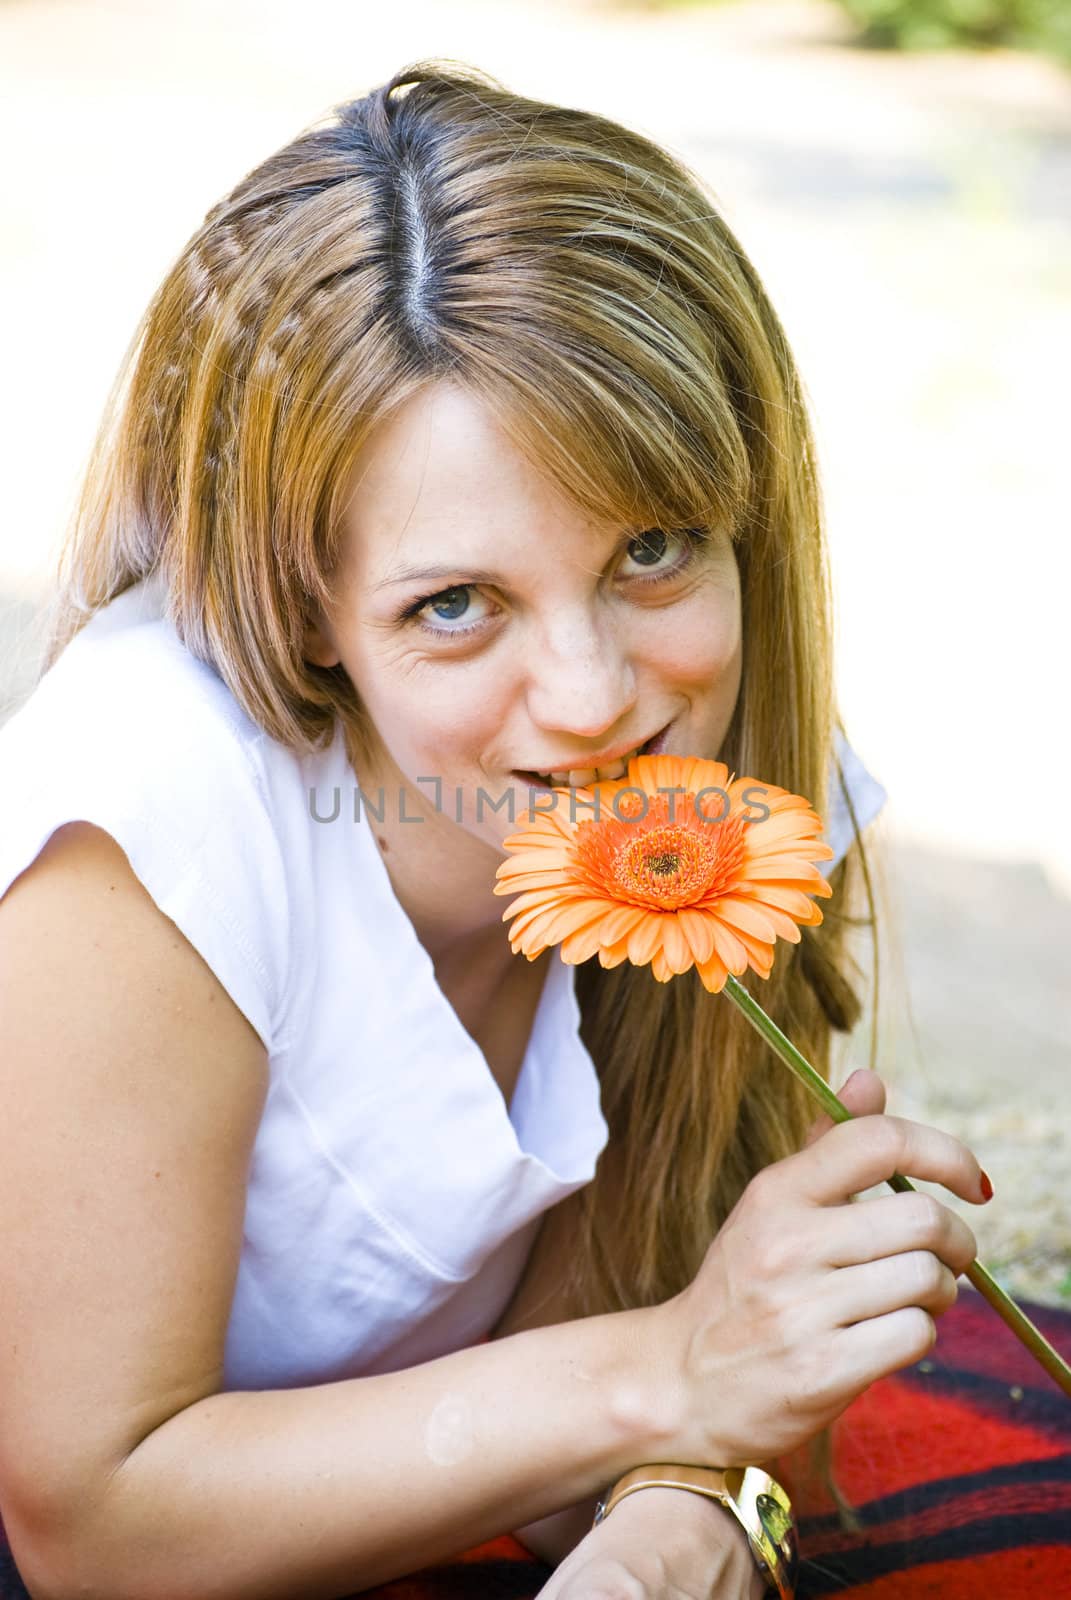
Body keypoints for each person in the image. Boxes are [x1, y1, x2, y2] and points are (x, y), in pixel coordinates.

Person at [0, 62, 989, 1600]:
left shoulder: (735, 799)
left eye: (652, 549)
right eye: (455, 604)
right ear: (301, 606)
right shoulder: (150, 820)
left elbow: (601, 1390)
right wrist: (673, 1371)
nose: (597, 699)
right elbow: (86, 1528)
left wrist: (688, 1513)